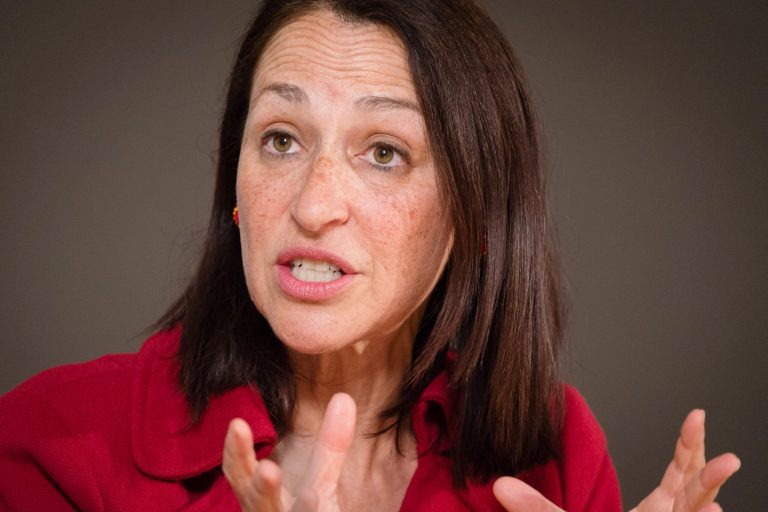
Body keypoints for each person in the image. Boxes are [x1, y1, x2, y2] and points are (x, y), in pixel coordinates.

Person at [0, 1, 740, 511]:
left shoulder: (555, 451)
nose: (313, 204)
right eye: (281, 139)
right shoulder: (48, 440)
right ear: (234, 186)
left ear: (472, 216)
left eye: (384, 152)